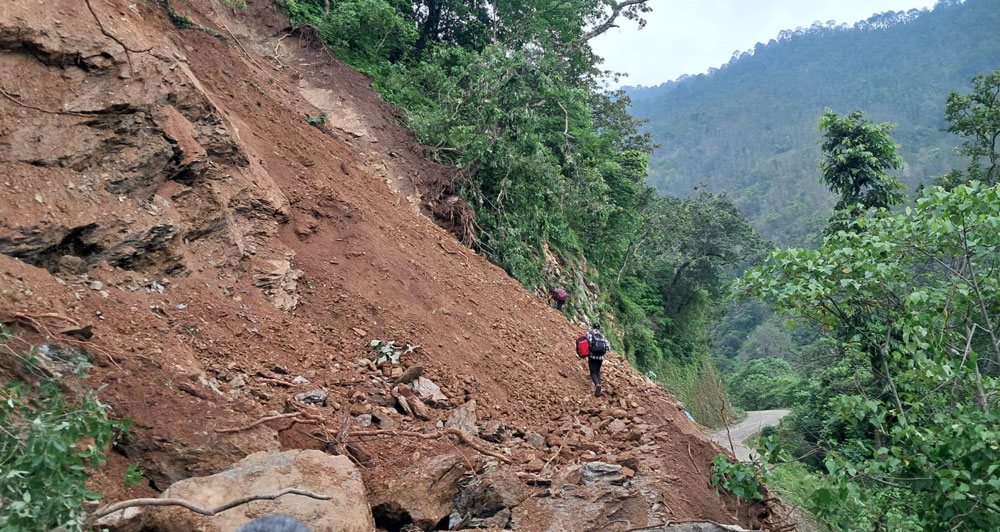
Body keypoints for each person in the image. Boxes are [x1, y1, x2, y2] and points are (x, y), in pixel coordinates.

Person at [586, 322, 609, 397]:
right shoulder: (602, 335)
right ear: (599, 328)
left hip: (592, 356)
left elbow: (587, 344)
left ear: (593, 327)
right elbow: (608, 346)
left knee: (593, 372)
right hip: (601, 357)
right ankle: (599, 387)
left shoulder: (590, 333)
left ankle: (597, 385)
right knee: (598, 371)